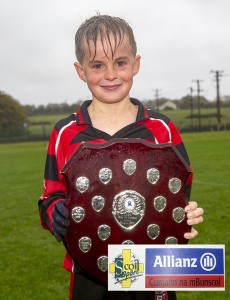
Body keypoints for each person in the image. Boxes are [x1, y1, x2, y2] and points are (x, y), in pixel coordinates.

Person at [38, 14, 204, 300]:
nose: (111, 75)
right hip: (90, 268)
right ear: (81, 71)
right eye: (98, 65)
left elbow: (179, 194)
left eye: (120, 63)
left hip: (153, 266)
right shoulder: (65, 132)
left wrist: (186, 216)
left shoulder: (161, 129)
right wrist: (55, 214)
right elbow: (49, 197)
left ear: (136, 64)